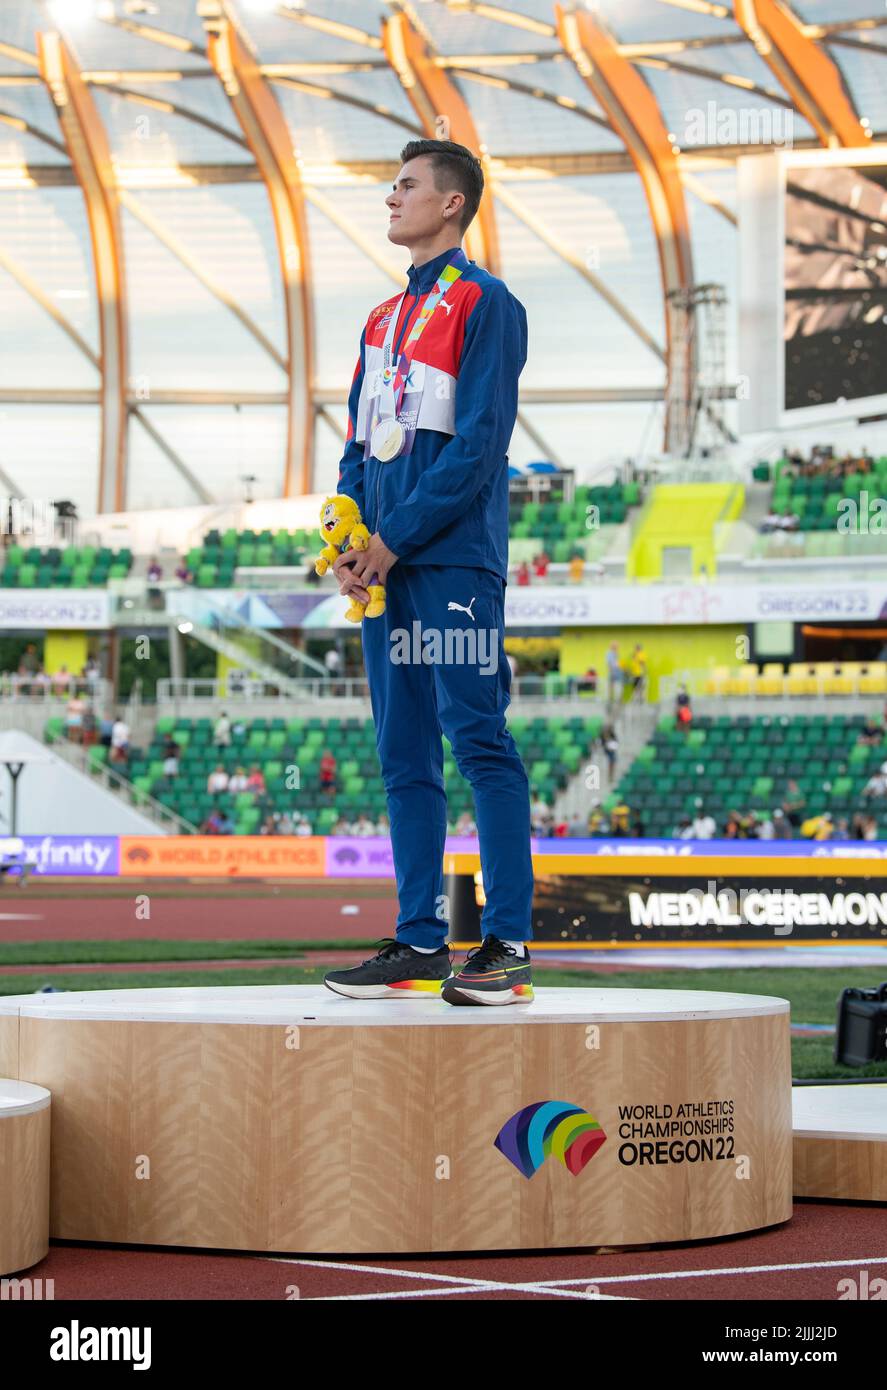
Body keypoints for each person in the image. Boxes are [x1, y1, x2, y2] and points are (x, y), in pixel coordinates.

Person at [324, 137, 533, 1005]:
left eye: (405, 185)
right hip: (385, 566)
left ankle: (508, 946)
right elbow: (355, 445)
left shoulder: (488, 302)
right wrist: (347, 534)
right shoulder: (378, 321)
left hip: (449, 561)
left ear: (451, 203)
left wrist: (397, 536)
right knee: (401, 755)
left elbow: (481, 446)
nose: (390, 198)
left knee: (476, 739)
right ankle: (417, 943)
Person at [606, 641, 622, 708]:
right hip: (612, 672)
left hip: (617, 672)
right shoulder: (609, 653)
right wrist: (611, 672)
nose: (617, 648)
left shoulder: (616, 654)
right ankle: (610, 699)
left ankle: (618, 699)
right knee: (611, 686)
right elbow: (609, 663)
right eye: (616, 646)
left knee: (618, 686)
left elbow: (617, 663)